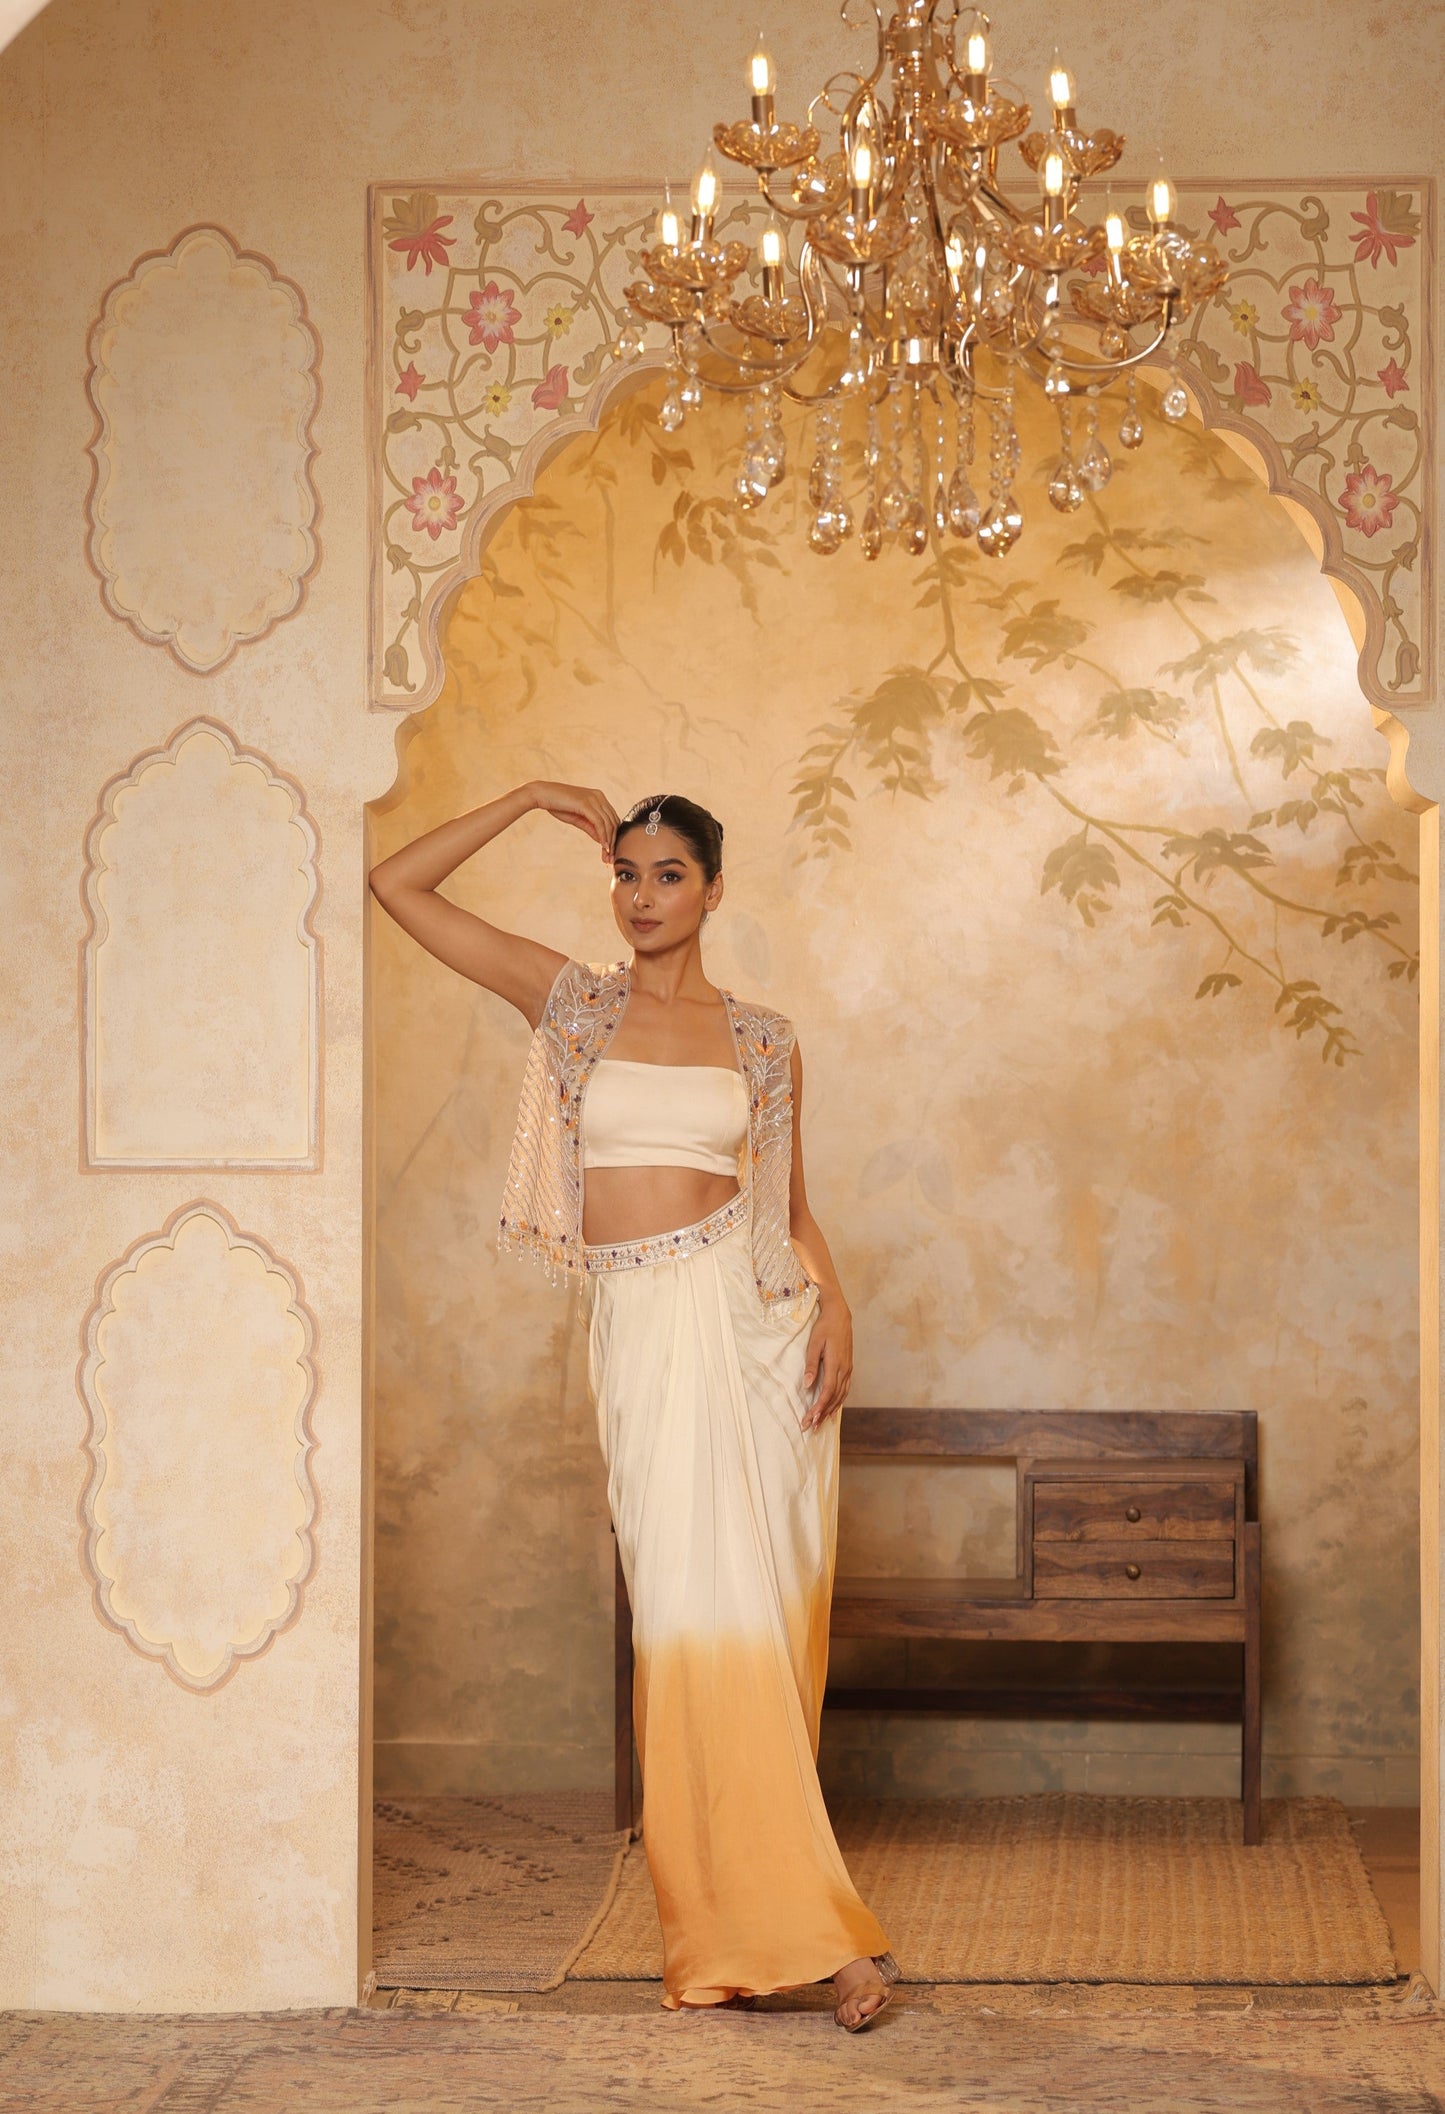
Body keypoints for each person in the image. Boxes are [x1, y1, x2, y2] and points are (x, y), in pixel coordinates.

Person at [370, 778, 897, 2030]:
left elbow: (787, 1206)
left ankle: (818, 1939)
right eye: (625, 872)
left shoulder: (762, 1038)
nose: (643, 896)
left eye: (668, 874)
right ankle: (737, 1929)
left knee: (749, 1626)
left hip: (754, 1329)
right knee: (683, 1627)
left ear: (711, 889)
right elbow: (395, 883)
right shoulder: (571, 1000)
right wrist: (524, 798)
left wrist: (835, 1304)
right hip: (644, 1328)